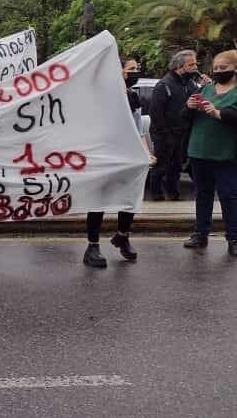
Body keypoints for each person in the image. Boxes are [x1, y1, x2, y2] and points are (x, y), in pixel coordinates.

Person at [83, 57, 148, 267]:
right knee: (98, 201)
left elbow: (138, 128)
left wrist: (146, 152)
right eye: (131, 69)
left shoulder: (133, 96)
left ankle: (122, 236)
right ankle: (92, 246)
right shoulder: (100, 96)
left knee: (129, 197)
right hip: (103, 155)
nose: (135, 72)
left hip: (127, 154)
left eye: (137, 68)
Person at [182, 50, 237, 254]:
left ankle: (233, 238)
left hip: (226, 153)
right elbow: (183, 116)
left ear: (235, 69)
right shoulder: (205, 89)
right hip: (199, 151)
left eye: (224, 68)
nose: (219, 71)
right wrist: (189, 106)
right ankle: (200, 234)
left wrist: (218, 113)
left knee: (229, 196)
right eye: (216, 68)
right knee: (202, 194)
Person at [148, 49, 202, 201]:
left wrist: (205, 86)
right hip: (165, 134)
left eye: (195, 64)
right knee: (161, 166)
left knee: (177, 165)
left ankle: (173, 192)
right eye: (191, 65)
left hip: (182, 133)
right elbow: (156, 113)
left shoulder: (190, 84)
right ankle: (156, 195)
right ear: (179, 66)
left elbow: (198, 100)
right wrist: (164, 135)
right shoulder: (164, 85)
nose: (195, 67)